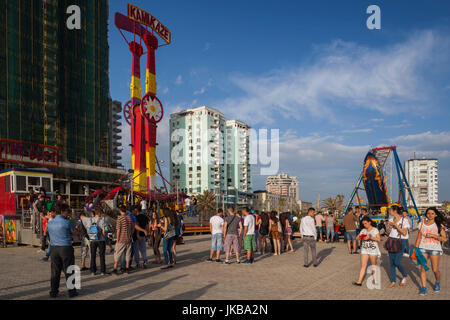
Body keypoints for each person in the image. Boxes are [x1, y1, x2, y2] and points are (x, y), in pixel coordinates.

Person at [414, 207, 447, 296]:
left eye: (432, 213)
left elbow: (444, 239)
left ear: (436, 215)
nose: (430, 215)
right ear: (426, 214)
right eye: (428, 213)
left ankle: (437, 282)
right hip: (423, 248)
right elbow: (419, 237)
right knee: (423, 268)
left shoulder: (439, 225)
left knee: (435, 269)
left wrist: (434, 235)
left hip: (435, 249)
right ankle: (423, 287)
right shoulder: (421, 224)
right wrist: (416, 248)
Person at [46, 203, 78, 298]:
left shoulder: (50, 223)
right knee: (69, 269)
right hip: (65, 248)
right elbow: (74, 232)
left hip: (54, 248)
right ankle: (72, 291)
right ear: (62, 212)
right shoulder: (67, 222)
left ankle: (53, 292)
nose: (68, 213)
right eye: (67, 211)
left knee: (55, 271)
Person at [386, 205, 409, 288]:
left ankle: (405, 275)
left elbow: (404, 233)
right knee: (391, 263)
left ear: (395, 211)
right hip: (391, 240)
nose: (389, 211)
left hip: (400, 241)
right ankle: (393, 281)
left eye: (390, 210)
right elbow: (388, 232)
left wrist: (395, 225)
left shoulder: (404, 220)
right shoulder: (390, 220)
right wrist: (390, 227)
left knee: (397, 262)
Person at [352, 216, 381, 286]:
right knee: (363, 266)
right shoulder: (363, 230)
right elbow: (357, 237)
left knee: (373, 265)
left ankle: (375, 280)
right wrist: (361, 236)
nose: (364, 225)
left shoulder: (375, 230)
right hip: (364, 249)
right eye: (363, 224)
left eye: (366, 223)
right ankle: (359, 282)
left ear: (369, 222)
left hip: (373, 250)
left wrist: (370, 237)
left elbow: (379, 239)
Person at [84, 208, 108, 275]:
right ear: (100, 213)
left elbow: (88, 230)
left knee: (93, 255)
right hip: (101, 240)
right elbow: (104, 230)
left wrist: (91, 237)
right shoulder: (102, 220)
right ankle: (103, 271)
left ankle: (93, 271)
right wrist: (104, 237)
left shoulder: (90, 220)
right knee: (102, 255)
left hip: (93, 240)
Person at [112, 206, 134, 275]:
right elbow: (133, 227)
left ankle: (115, 268)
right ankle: (127, 268)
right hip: (128, 238)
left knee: (117, 254)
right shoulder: (129, 218)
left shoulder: (119, 218)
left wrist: (117, 239)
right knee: (128, 254)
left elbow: (118, 229)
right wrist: (130, 234)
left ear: (120, 210)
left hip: (121, 239)